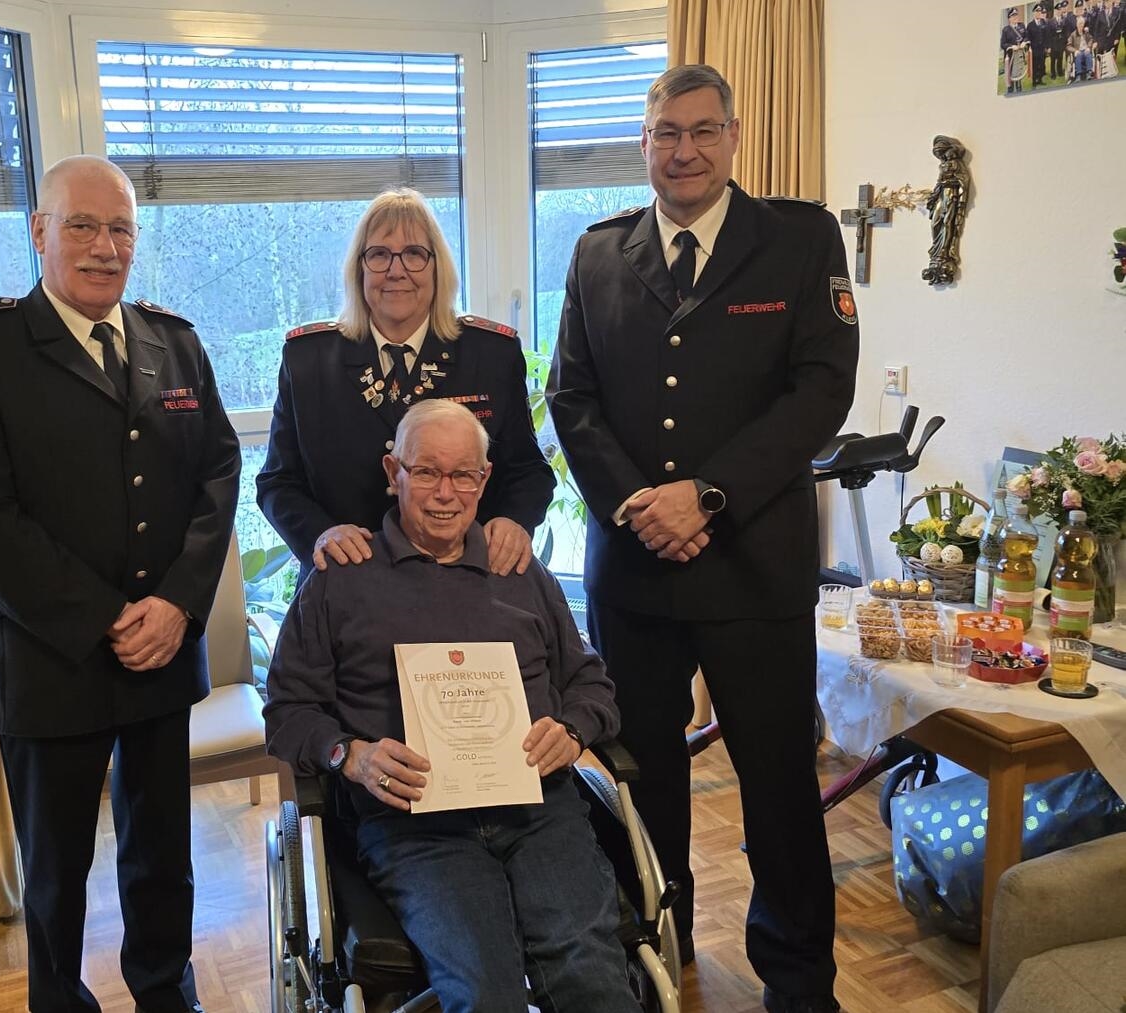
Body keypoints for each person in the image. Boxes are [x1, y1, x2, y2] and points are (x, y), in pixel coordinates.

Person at [546, 64, 858, 1013]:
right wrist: (644, 504)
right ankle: (655, 953)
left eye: (701, 131)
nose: (682, 150)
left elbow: (822, 387)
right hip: (636, 571)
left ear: (733, 136)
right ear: (643, 145)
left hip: (755, 568)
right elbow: (572, 397)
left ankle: (799, 981)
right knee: (644, 784)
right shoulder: (600, 252)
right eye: (664, 134)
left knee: (777, 785)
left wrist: (706, 496)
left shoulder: (800, 241)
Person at [0, 154, 241, 1013]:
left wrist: (177, 601)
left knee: (161, 856)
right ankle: (59, 1000)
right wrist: (109, 618)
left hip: (162, 649)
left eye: (121, 230)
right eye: (82, 226)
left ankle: (164, 990)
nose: (105, 248)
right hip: (48, 659)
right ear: (39, 232)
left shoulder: (170, 340)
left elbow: (218, 471)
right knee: (57, 868)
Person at [263, 399, 640, 1013]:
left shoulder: (518, 569)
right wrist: (349, 755)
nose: (446, 492)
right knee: (484, 993)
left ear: (484, 480)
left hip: (537, 810)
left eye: (463, 474)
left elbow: (591, 684)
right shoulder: (341, 577)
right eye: (427, 472)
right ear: (394, 473)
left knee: (591, 978)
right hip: (415, 826)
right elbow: (287, 711)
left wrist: (572, 730)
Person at [256, 187, 553, 581]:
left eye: (414, 254)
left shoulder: (491, 354)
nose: (396, 270)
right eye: (379, 254)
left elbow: (527, 470)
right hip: (349, 582)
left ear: (437, 267)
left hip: (467, 578)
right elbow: (279, 481)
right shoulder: (309, 360)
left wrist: (515, 522)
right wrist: (320, 534)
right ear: (359, 269)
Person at [923, 136, 970, 286]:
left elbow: (964, 180)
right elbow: (938, 182)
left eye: (942, 153)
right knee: (936, 223)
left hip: (951, 195)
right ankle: (936, 251)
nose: (942, 157)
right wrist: (933, 197)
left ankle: (944, 250)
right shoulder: (943, 166)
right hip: (941, 195)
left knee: (947, 222)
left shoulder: (956, 164)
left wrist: (953, 185)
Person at [1001, 6, 1031, 93]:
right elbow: (1002, 44)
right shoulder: (1005, 30)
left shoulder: (1022, 25)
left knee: (1019, 74)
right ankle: (1010, 90)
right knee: (1010, 77)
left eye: (1016, 15)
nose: (1015, 18)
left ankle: (1019, 90)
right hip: (1011, 57)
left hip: (1020, 56)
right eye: (1013, 16)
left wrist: (1024, 42)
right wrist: (1011, 46)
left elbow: (1027, 36)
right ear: (1009, 18)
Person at [1027, 4, 1054, 85]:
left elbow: (1047, 36)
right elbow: (1028, 38)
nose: (1038, 13)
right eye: (1037, 12)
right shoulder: (1030, 25)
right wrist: (1029, 49)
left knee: (1041, 65)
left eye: (1040, 12)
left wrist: (1048, 46)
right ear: (1034, 13)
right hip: (1034, 49)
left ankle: (1040, 80)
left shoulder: (1043, 23)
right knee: (1035, 65)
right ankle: (1034, 81)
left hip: (1042, 49)